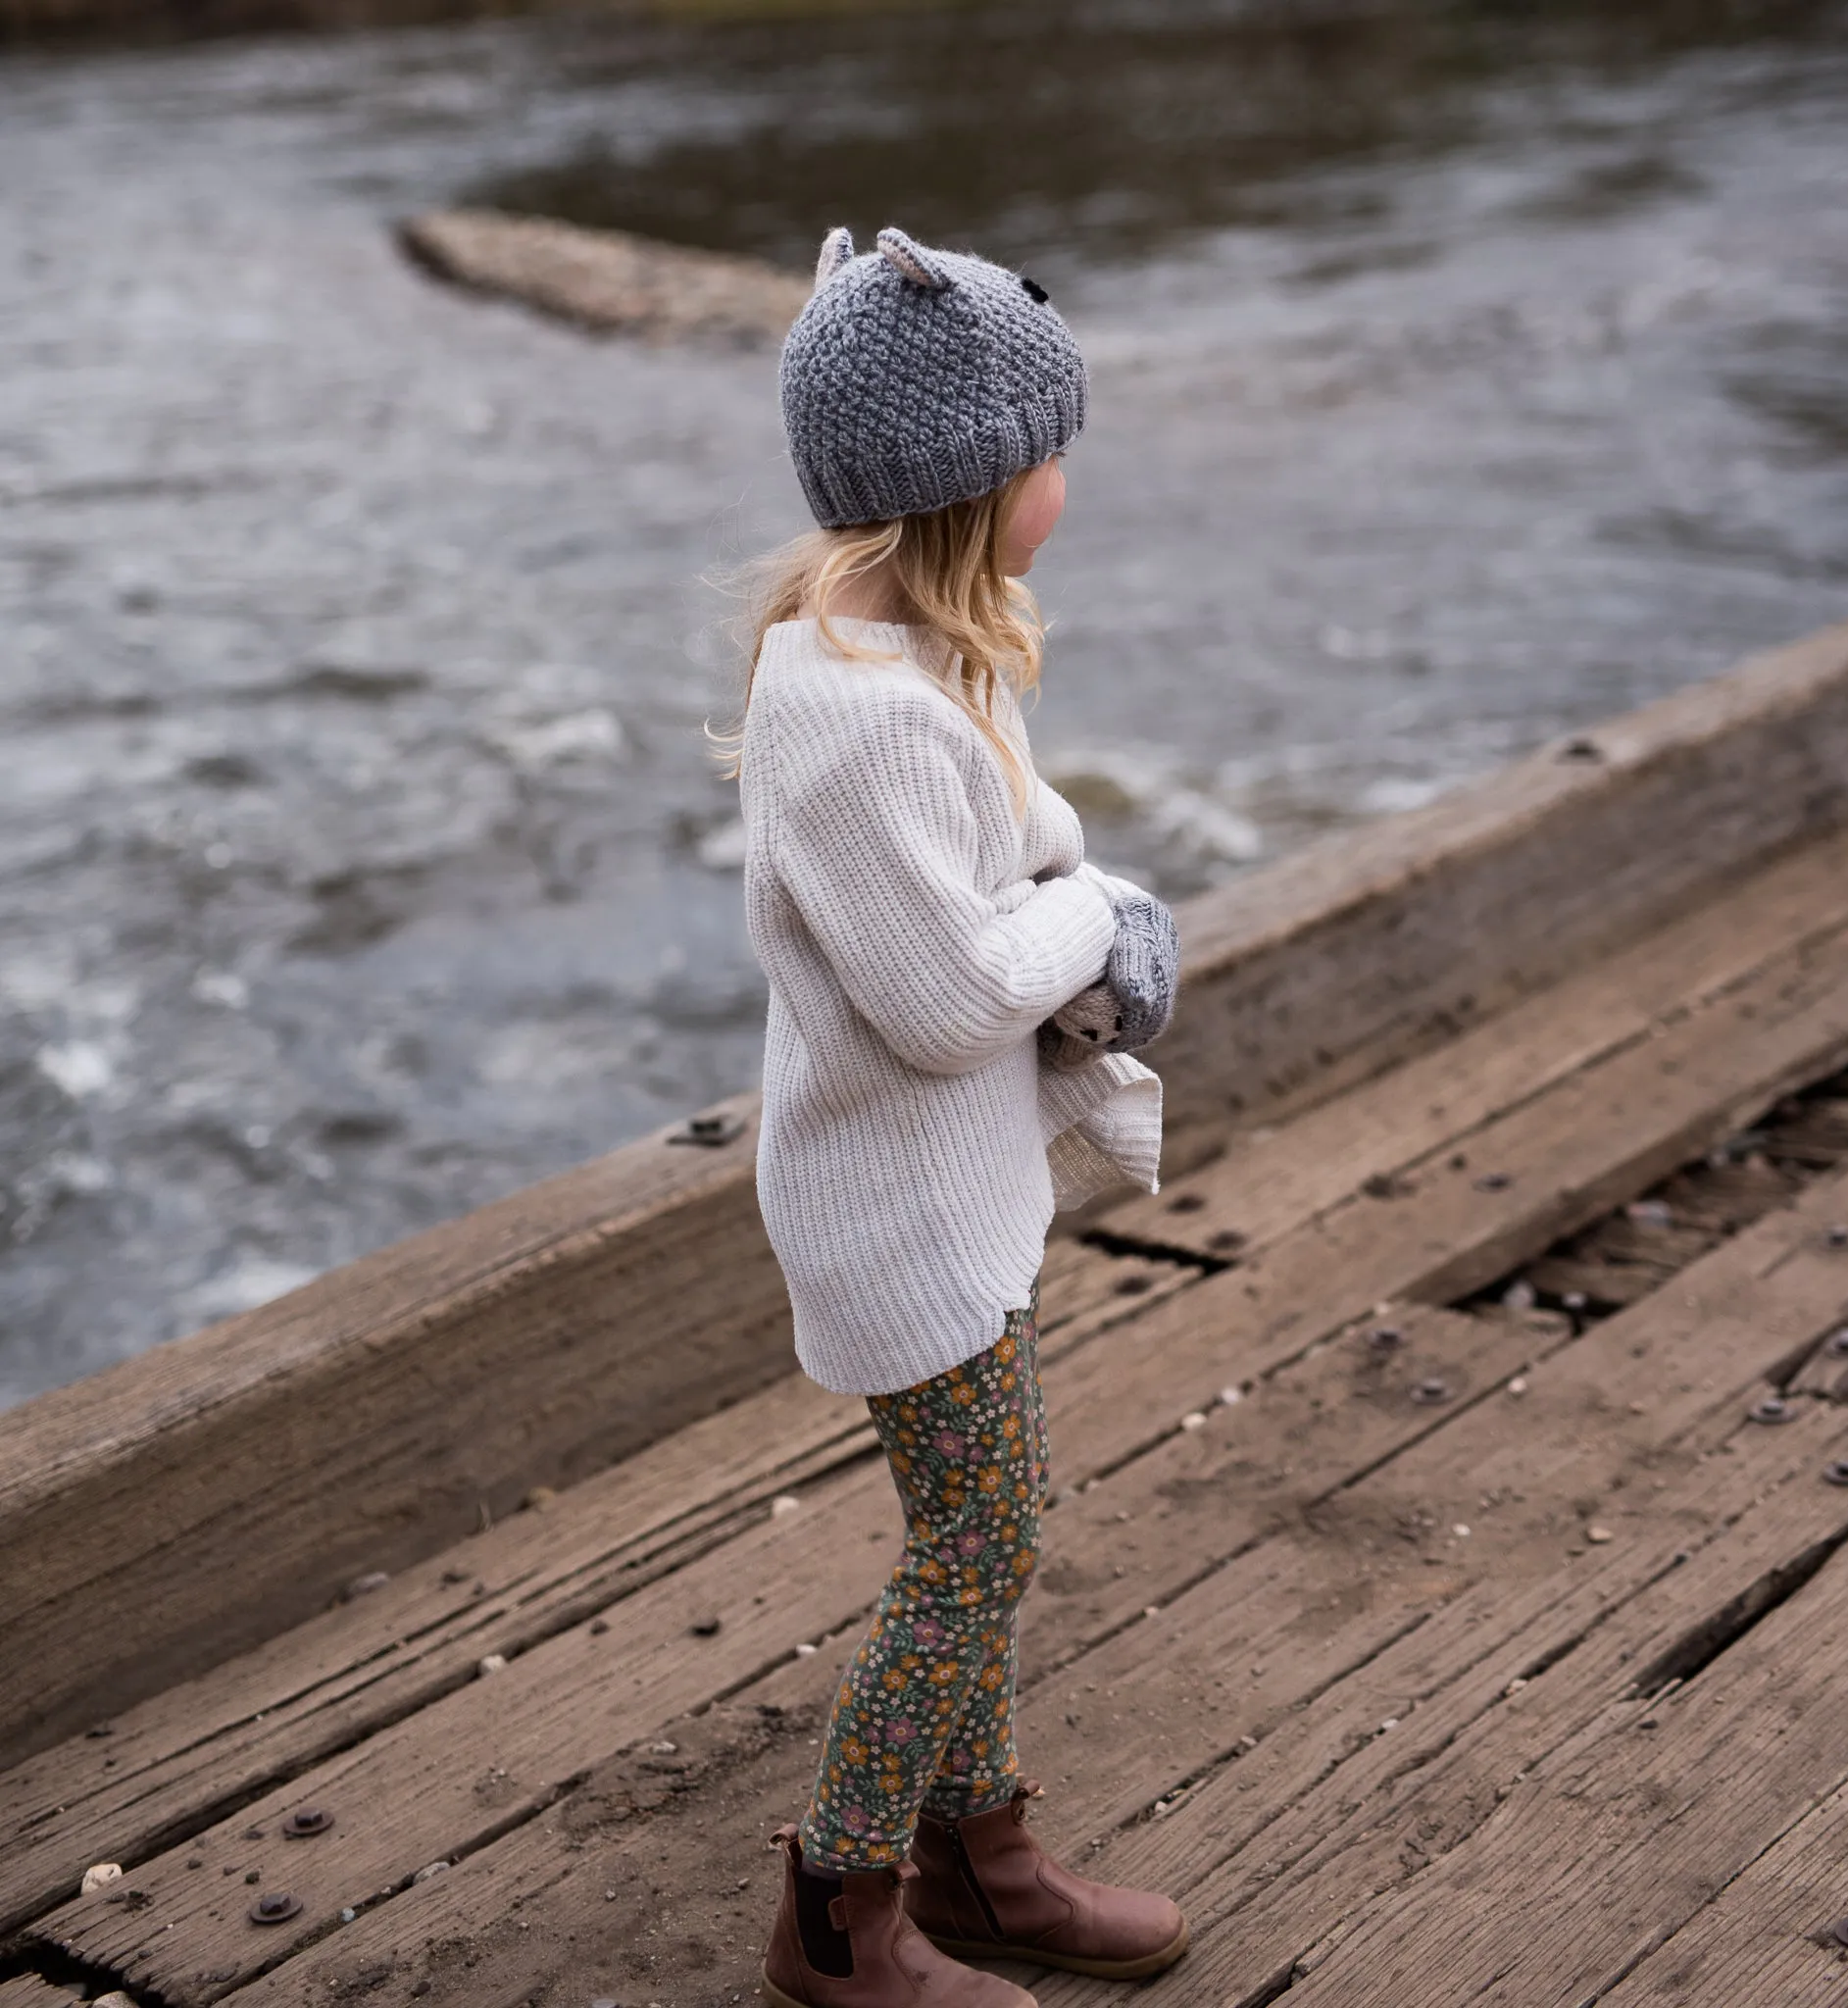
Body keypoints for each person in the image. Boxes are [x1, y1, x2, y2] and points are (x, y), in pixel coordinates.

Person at [732, 223, 1188, 2008]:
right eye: (1051, 452)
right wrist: (1101, 920)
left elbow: (1005, 828)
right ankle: (840, 1915)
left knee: (974, 1537)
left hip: (949, 1185)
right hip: (890, 1207)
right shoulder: (860, 724)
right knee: (977, 1547)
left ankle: (978, 1854)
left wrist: (1071, 870)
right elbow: (942, 1004)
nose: (1068, 480)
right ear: (972, 482)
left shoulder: (908, 655)